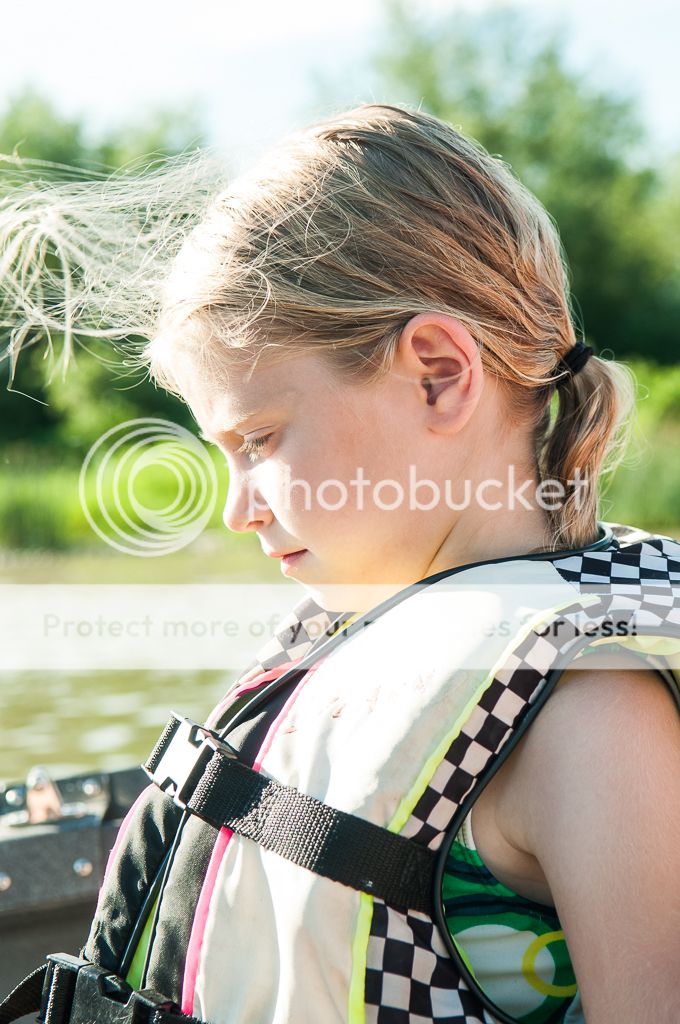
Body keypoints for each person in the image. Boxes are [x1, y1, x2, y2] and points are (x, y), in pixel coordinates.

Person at [1, 102, 679, 1024]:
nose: (236, 506)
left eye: (260, 438)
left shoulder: (589, 712)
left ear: (440, 372)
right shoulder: (374, 635)